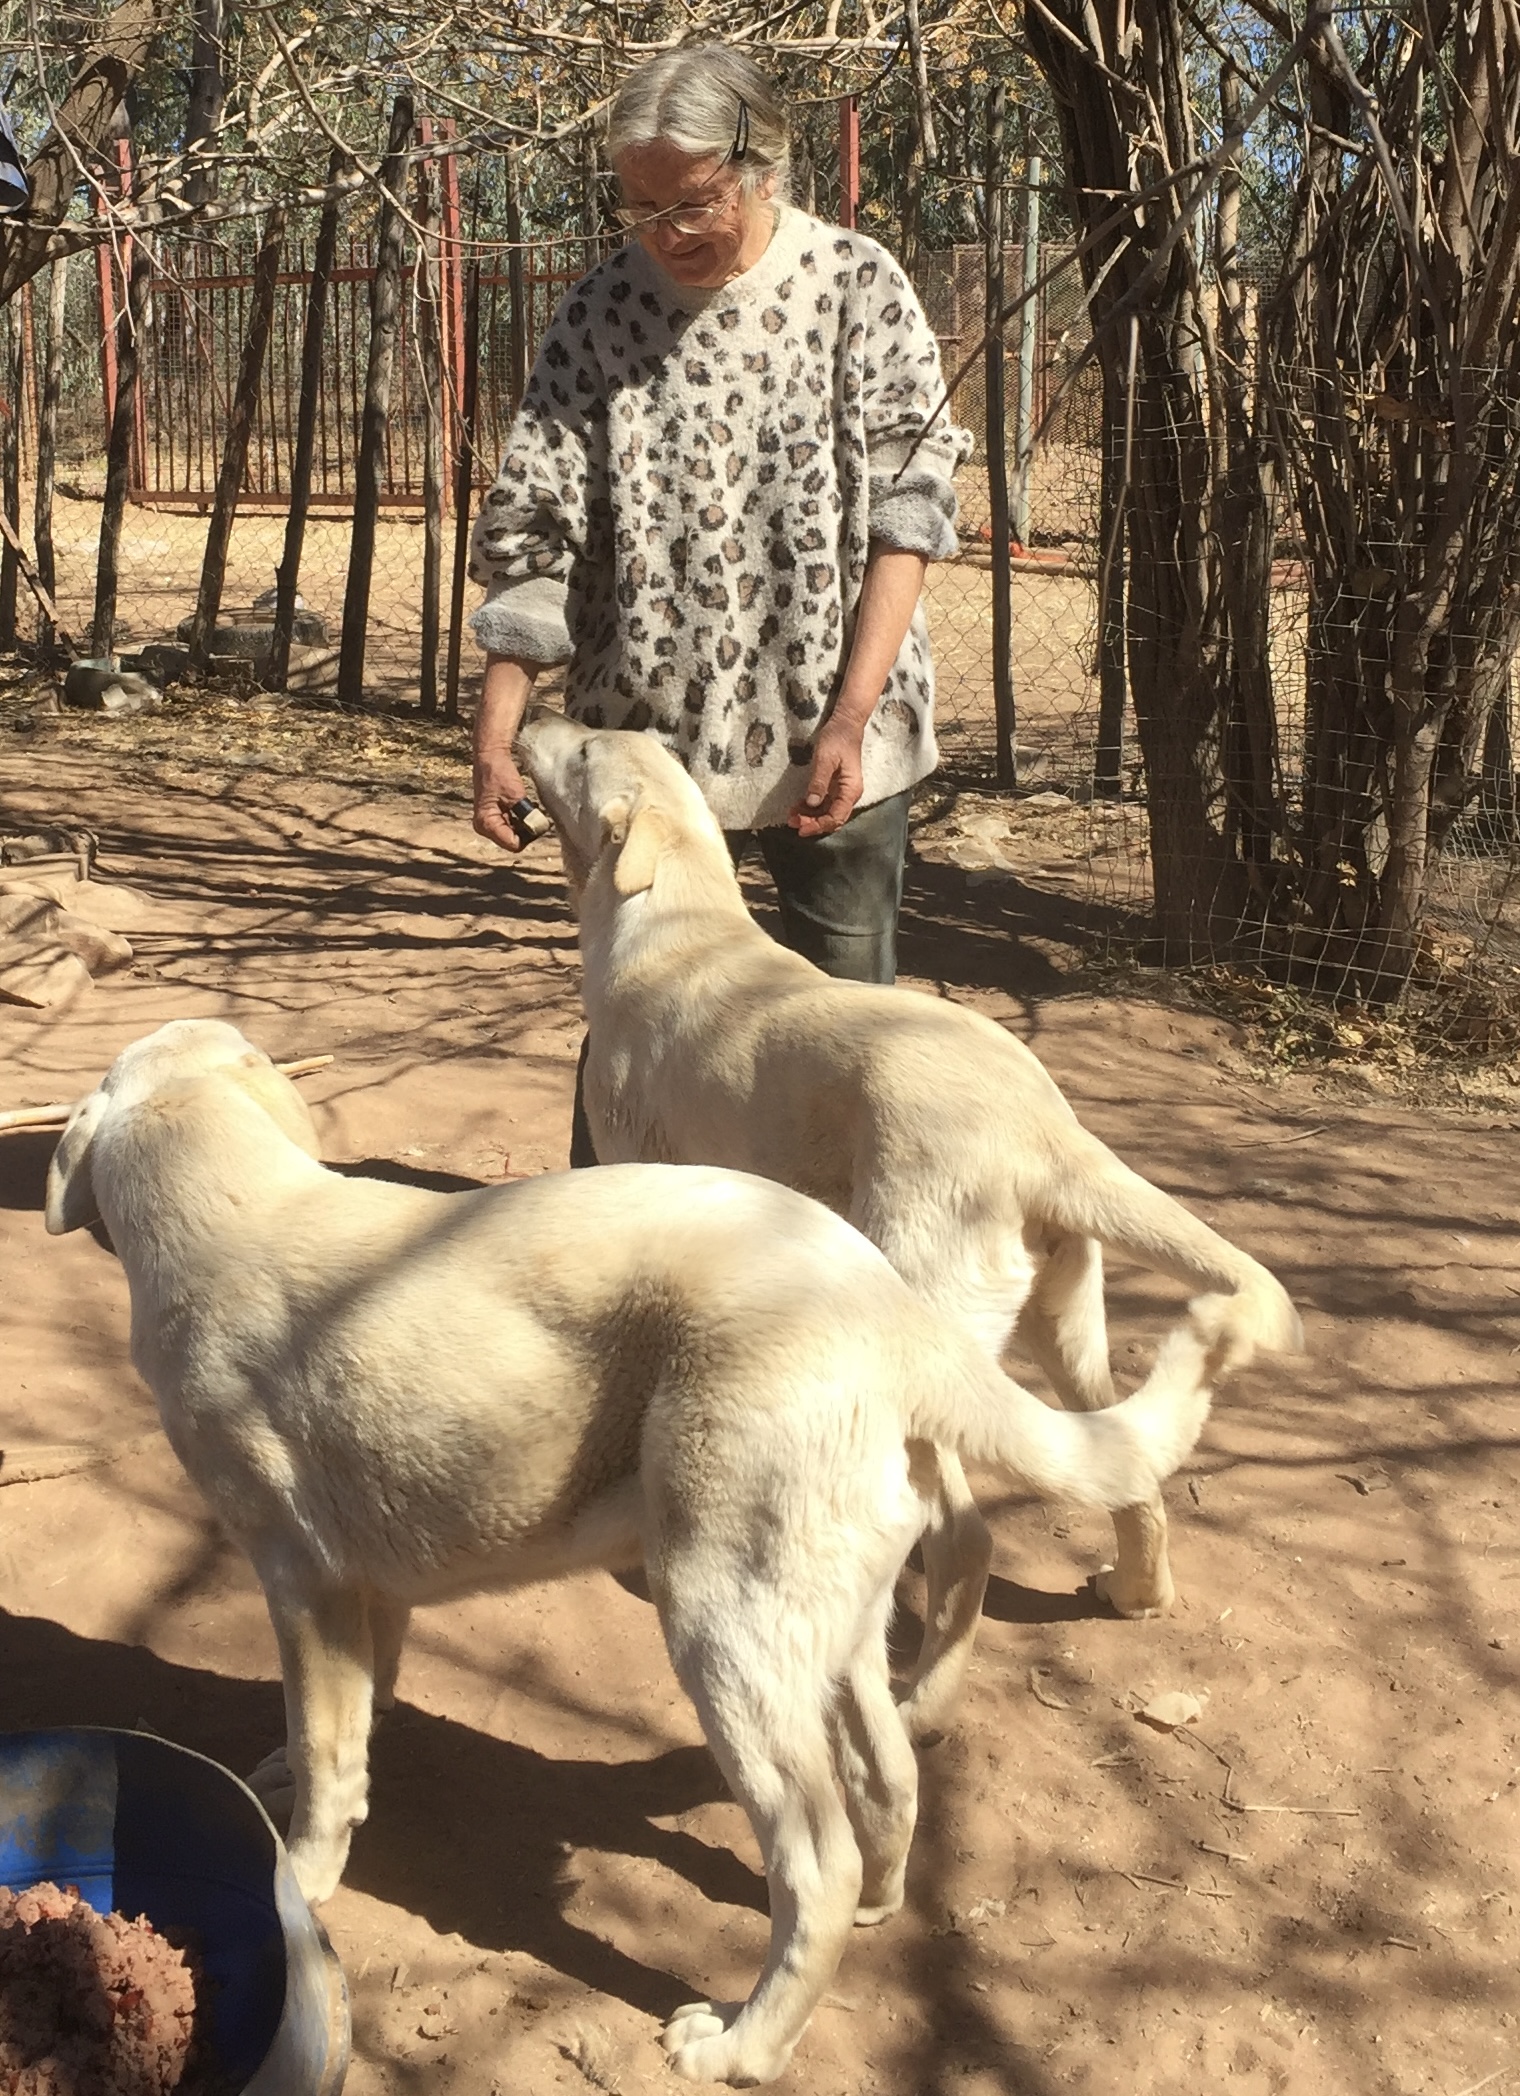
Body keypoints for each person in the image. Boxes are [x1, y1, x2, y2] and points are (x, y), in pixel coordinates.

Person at [467, 41, 970, 1157]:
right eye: (636, 208)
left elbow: (910, 512)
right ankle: (614, 1267)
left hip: (833, 735)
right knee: (635, 1039)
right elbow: (533, 527)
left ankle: (835, 1291)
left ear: (759, 167)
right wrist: (498, 726)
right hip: (641, 762)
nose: (663, 234)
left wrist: (850, 715)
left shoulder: (855, 285)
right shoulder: (599, 311)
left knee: (843, 1054)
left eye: (686, 203)